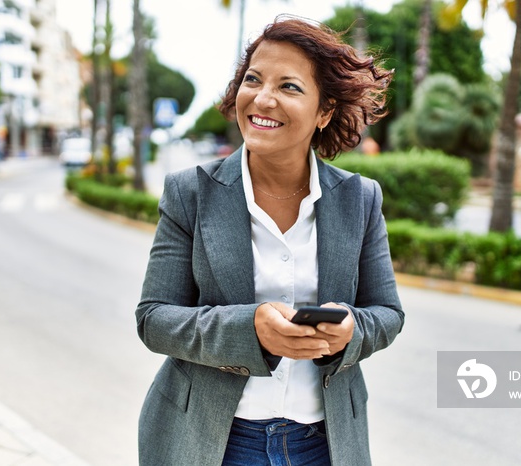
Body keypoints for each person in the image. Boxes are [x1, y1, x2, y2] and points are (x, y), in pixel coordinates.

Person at [135, 16, 404, 466]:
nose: (262, 98)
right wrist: (250, 330)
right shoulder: (190, 192)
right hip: (211, 441)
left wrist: (351, 330)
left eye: (289, 87)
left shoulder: (359, 198)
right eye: (253, 80)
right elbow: (154, 319)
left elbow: (387, 314)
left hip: (326, 444)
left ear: (324, 112)